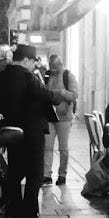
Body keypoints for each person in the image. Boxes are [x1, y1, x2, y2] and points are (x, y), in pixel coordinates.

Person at [0, 42, 58, 218]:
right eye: (33, 61)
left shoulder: (1, 77)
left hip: (12, 131)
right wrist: (60, 95)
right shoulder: (28, 77)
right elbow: (47, 96)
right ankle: (30, 214)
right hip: (31, 132)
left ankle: (15, 212)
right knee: (35, 174)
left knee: (14, 173)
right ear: (27, 60)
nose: (34, 65)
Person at [43, 53, 79, 186]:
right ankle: (46, 174)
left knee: (63, 148)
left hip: (64, 117)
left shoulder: (68, 76)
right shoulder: (47, 75)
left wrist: (61, 93)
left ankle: (62, 174)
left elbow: (75, 95)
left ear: (60, 64)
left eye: (55, 67)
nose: (53, 69)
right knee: (47, 146)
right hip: (49, 115)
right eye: (51, 67)